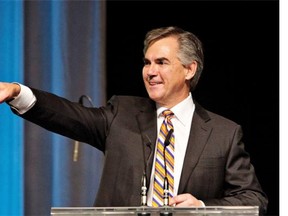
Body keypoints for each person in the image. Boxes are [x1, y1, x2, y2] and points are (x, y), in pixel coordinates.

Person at [0, 26, 268, 213]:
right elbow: (68, 115)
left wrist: (202, 207)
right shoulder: (122, 113)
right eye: (146, 62)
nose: (150, 71)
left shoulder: (224, 133)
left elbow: (253, 199)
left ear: (189, 69)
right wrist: (17, 92)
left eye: (161, 62)